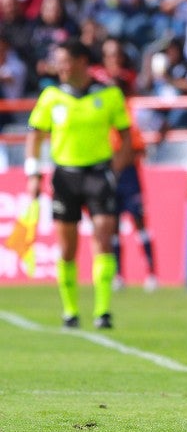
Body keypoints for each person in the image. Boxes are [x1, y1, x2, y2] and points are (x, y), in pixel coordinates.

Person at [25, 38, 133, 329]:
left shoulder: (109, 95)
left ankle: (103, 311)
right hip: (65, 176)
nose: (60, 66)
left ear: (83, 62)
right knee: (67, 248)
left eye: (65, 61)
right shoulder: (51, 96)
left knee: (103, 234)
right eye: (58, 61)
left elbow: (125, 139)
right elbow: (34, 137)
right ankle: (70, 311)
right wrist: (33, 173)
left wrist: (116, 170)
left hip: (99, 174)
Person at [89, 37, 158, 292]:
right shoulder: (102, 106)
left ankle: (151, 273)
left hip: (126, 171)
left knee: (138, 220)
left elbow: (138, 144)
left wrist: (123, 159)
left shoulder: (130, 108)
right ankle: (119, 274)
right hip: (109, 168)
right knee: (113, 223)